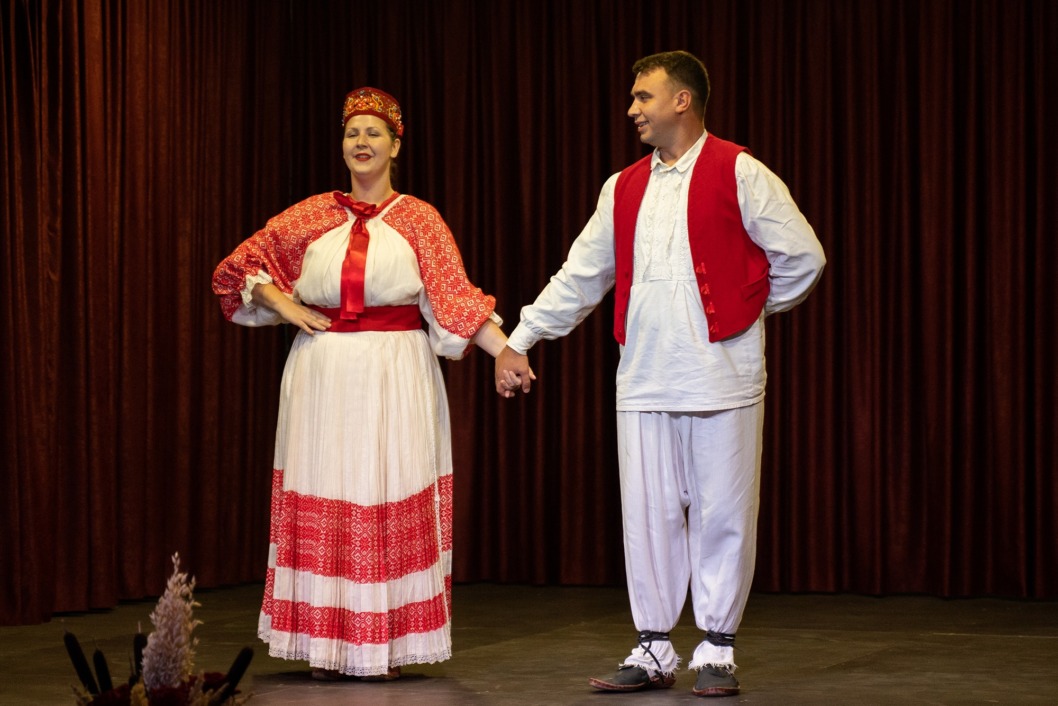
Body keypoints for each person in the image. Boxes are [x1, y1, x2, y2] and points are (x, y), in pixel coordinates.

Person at [494, 51, 826, 697]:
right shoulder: (622, 187)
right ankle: (653, 647)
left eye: (643, 97)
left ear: (682, 100)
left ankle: (717, 650)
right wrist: (520, 339)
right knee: (648, 518)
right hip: (644, 377)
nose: (632, 110)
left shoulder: (739, 170)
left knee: (724, 514)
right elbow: (581, 274)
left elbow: (803, 257)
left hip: (722, 376)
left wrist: (745, 310)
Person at [213, 87, 520, 681]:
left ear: (395, 146)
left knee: (386, 485)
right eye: (352, 132)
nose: (361, 141)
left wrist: (505, 351)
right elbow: (235, 271)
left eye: (374, 132)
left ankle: (383, 647)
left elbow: (454, 300)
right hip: (322, 373)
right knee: (326, 485)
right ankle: (325, 646)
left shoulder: (420, 220)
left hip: (394, 373)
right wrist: (283, 302)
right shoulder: (310, 216)